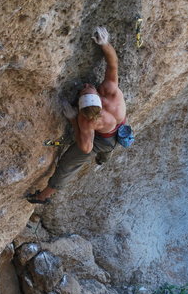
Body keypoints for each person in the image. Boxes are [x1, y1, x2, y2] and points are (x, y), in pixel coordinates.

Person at [27, 26, 126, 204]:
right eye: (85, 90)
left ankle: (43, 197)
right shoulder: (108, 94)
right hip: (115, 130)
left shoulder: (87, 119)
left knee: (67, 164)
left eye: (86, 90)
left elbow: (86, 147)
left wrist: (73, 119)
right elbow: (113, 64)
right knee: (107, 146)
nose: (84, 86)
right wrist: (105, 45)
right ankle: (104, 156)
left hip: (102, 140)